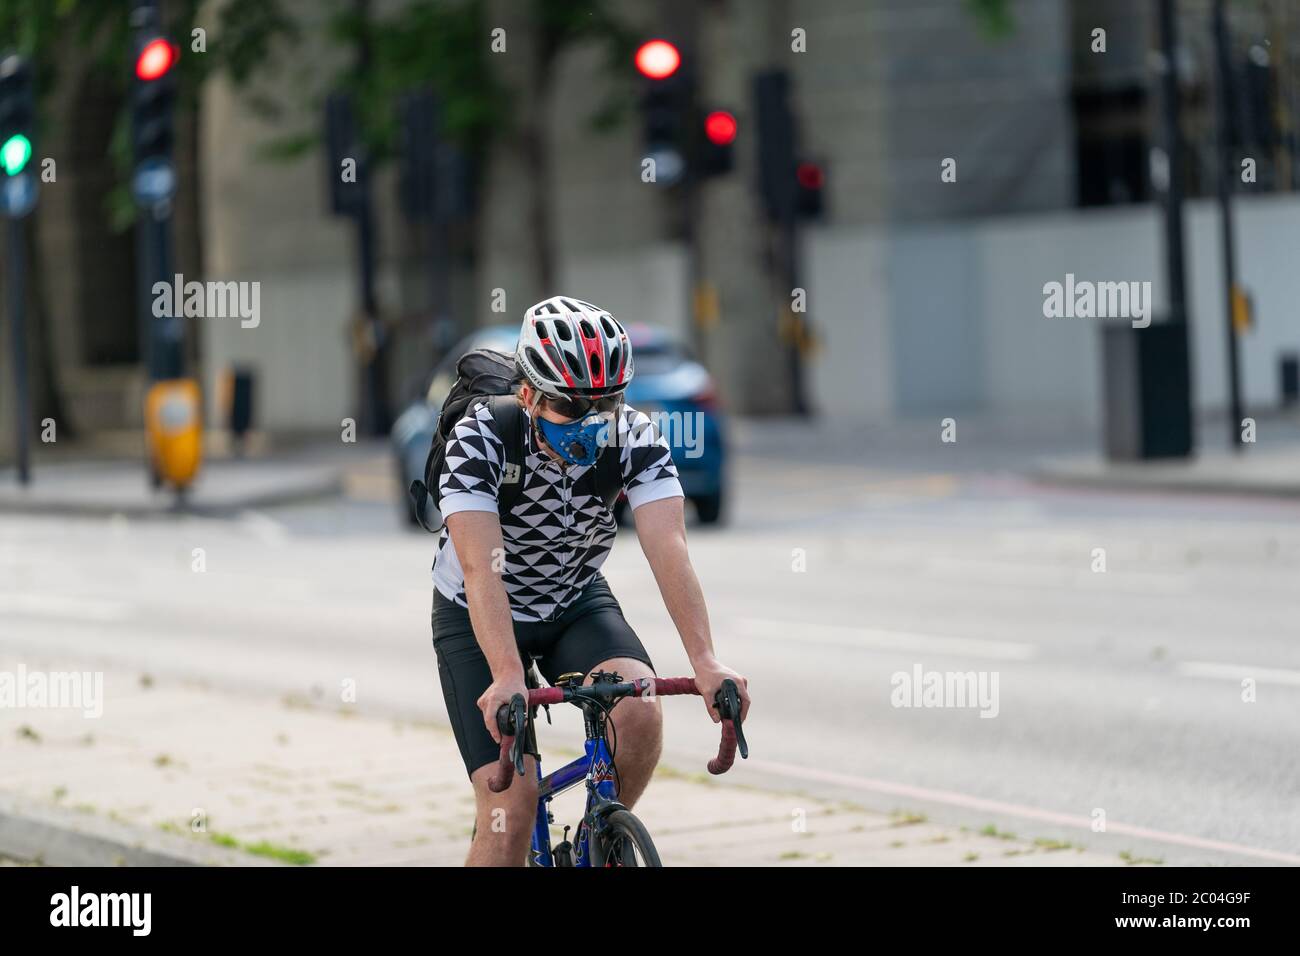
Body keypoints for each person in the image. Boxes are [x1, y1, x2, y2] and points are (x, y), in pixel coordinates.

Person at [431, 295, 750, 866]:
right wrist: (507, 675)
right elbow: (482, 568)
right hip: (477, 610)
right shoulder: (481, 438)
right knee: (512, 807)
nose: (592, 421)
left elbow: (668, 546)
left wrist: (705, 660)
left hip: (574, 599)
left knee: (640, 710)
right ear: (528, 395)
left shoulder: (634, 437)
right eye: (572, 405)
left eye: (606, 403)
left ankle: (599, 838)